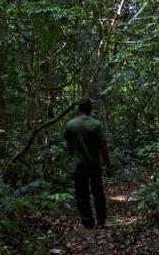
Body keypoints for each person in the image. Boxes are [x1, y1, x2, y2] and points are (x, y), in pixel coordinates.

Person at [63, 98, 112, 230]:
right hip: (94, 165)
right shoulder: (96, 124)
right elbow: (103, 146)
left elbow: (68, 143)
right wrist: (108, 164)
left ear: (79, 110)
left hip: (78, 166)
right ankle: (101, 220)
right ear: (90, 110)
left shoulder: (71, 124)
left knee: (82, 195)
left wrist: (74, 156)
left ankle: (87, 222)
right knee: (98, 193)